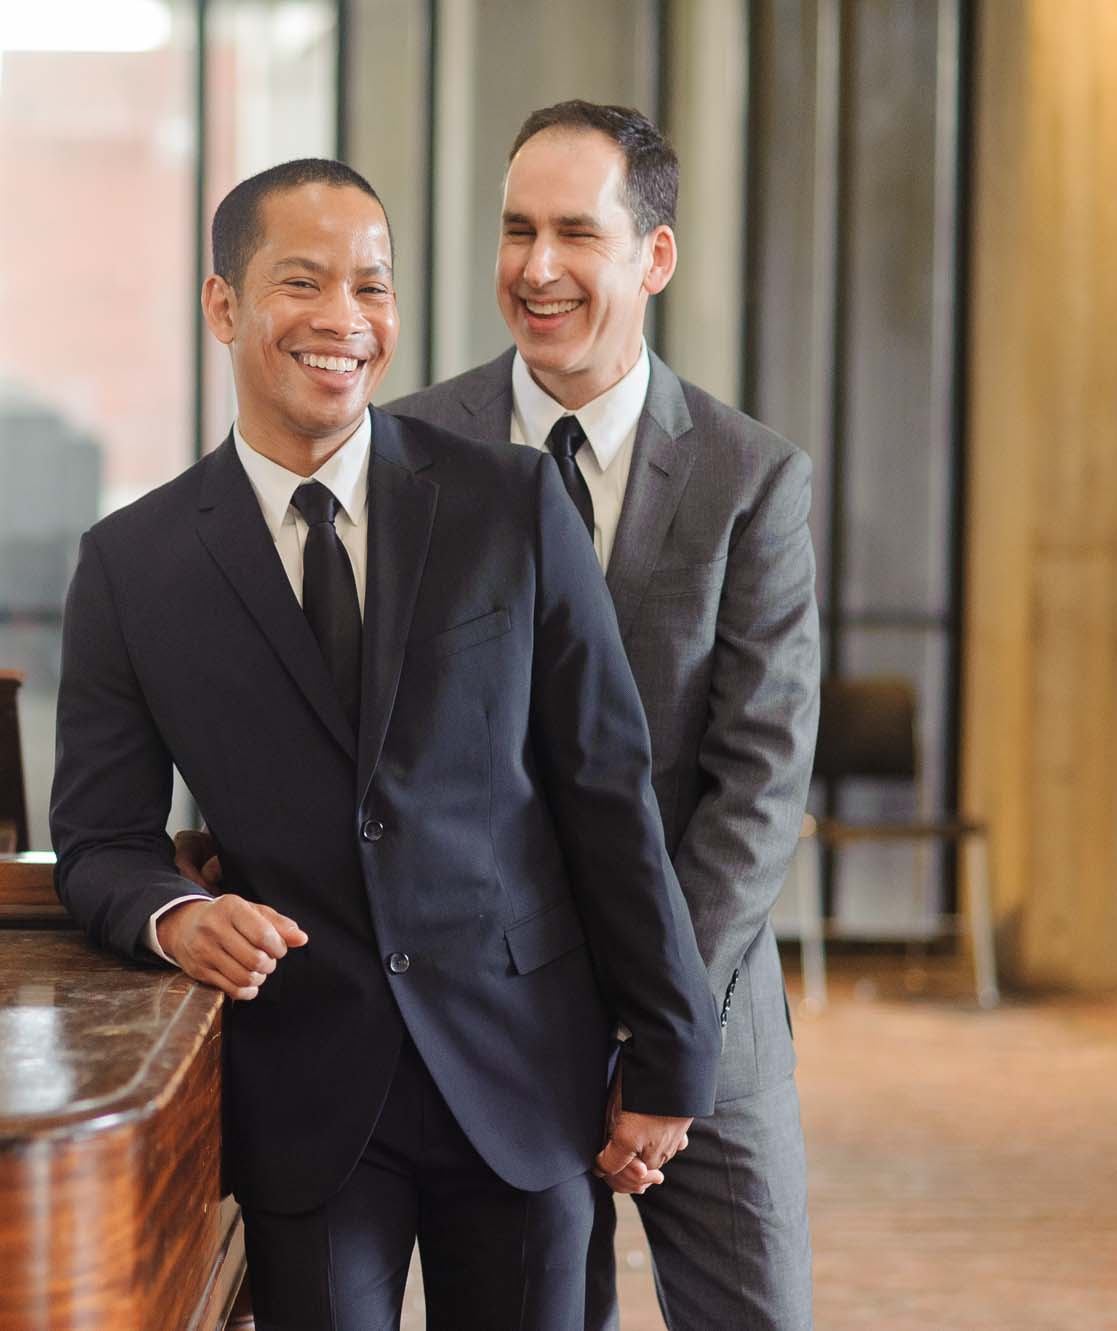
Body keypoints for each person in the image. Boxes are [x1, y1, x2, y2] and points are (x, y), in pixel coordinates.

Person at [50, 156, 720, 1331]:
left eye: (371, 287)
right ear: (222, 306)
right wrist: (176, 914)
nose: (342, 321)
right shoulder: (131, 564)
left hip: (520, 1072)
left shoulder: (511, 505)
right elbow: (98, 838)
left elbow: (604, 789)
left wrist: (667, 1049)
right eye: (300, 283)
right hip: (307, 1090)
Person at [386, 101, 822, 1330]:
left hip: (705, 1004)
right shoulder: (407, 449)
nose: (535, 268)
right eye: (516, 230)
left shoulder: (751, 479)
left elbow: (756, 782)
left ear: (653, 256)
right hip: (490, 1022)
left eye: (575, 233)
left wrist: (657, 1017)